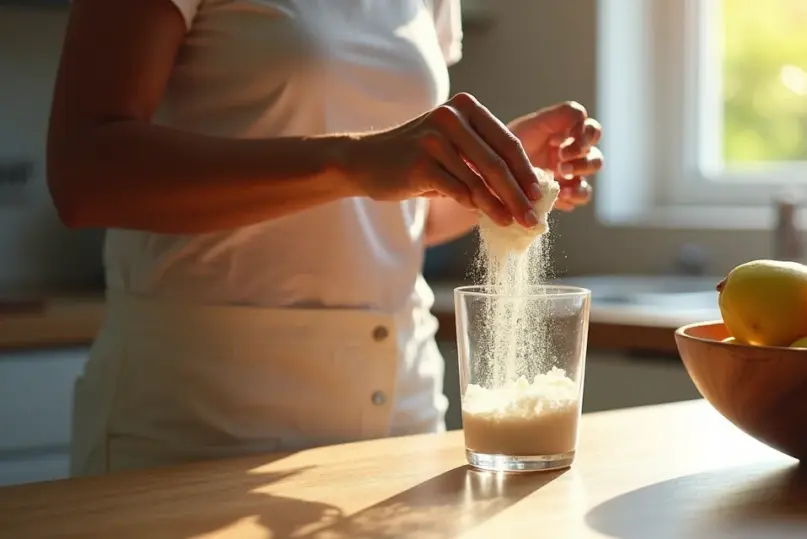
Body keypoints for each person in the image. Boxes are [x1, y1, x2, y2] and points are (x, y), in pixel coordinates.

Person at [47, 0, 603, 477]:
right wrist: (351, 162)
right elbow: (83, 175)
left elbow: (409, 222)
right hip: (202, 420)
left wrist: (486, 174)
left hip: (399, 418)